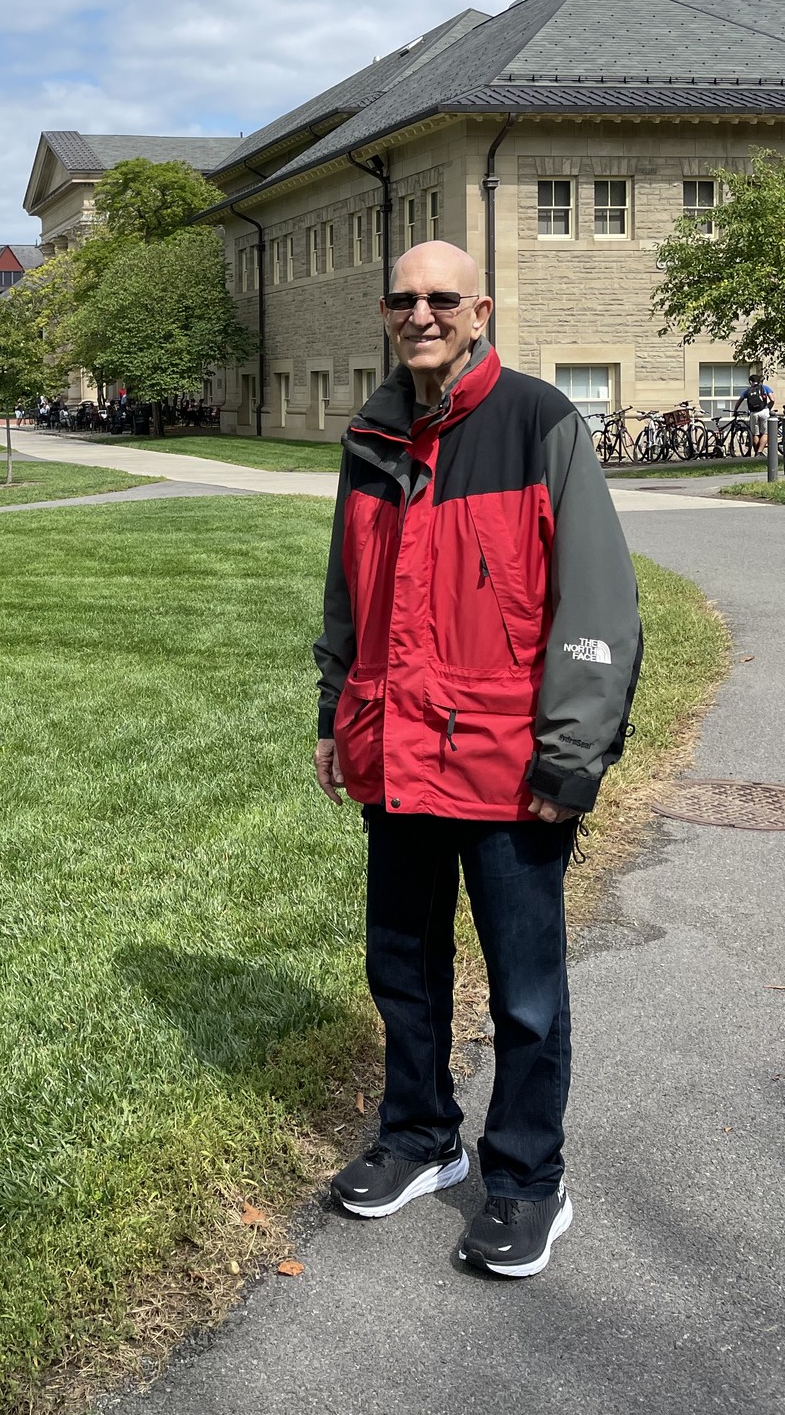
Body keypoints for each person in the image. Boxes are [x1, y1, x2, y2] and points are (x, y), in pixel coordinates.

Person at [315, 241, 641, 1279]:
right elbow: (348, 592)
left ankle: (529, 1182)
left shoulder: (538, 420)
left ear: (480, 310)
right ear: (386, 312)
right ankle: (420, 1139)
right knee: (402, 967)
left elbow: (598, 602)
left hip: (508, 767)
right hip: (396, 750)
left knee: (525, 995)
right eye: (403, 299)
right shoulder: (371, 434)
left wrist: (572, 757)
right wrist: (334, 714)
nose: (422, 314)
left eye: (442, 298)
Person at [734, 370, 773, 455]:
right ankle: (760, 451)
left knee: (755, 434)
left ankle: (756, 453)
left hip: (753, 413)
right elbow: (772, 399)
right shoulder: (765, 388)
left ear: (750, 382)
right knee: (765, 433)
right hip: (764, 411)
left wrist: (735, 410)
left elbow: (739, 401)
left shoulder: (747, 390)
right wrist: (769, 407)